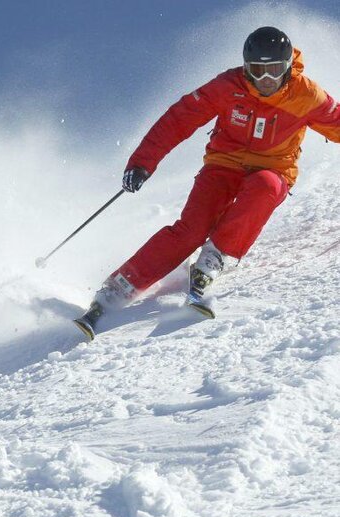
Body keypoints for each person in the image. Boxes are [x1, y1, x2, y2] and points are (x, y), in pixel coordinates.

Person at [75, 26, 340, 340]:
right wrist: (142, 162)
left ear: (287, 68)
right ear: (246, 68)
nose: (266, 81)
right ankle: (120, 286)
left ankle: (215, 257)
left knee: (266, 187)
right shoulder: (228, 86)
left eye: (275, 71)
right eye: (258, 71)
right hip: (223, 165)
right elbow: (180, 117)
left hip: (273, 168)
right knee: (192, 230)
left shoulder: (306, 95)